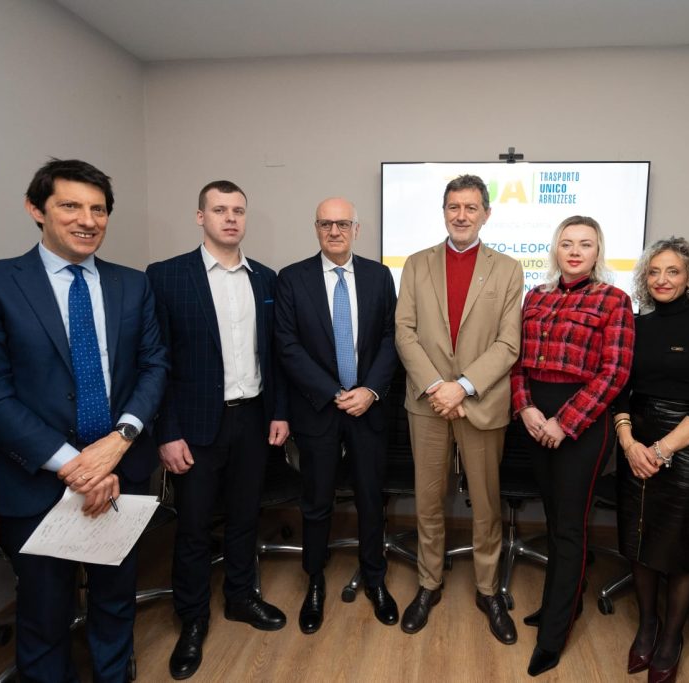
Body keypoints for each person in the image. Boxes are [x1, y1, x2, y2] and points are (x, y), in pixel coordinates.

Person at [0, 158, 168, 682]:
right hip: (33, 480)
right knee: (44, 611)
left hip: (121, 471)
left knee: (115, 596)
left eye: (98, 209)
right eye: (70, 205)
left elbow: (155, 365)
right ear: (36, 209)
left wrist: (120, 440)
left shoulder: (132, 285)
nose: (87, 220)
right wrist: (76, 466)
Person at [147, 180, 289, 679]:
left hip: (252, 418)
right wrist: (166, 431)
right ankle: (192, 619)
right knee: (193, 527)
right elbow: (156, 362)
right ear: (200, 217)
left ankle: (240, 597)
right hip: (194, 426)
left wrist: (280, 412)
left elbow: (275, 355)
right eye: (220, 210)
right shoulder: (166, 276)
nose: (230, 218)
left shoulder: (266, 279)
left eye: (238, 211)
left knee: (246, 516)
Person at [395, 174, 524, 645]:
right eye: (454, 207)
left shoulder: (508, 269)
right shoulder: (416, 264)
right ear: (444, 211)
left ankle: (488, 590)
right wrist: (437, 387)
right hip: (428, 402)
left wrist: (462, 387)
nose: (462, 215)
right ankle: (429, 583)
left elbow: (509, 343)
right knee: (428, 501)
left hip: (481, 403)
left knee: (486, 504)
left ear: (486, 213)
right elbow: (404, 332)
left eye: (471, 207)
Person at [510, 215, 635, 676]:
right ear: (555, 250)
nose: (576, 251)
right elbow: (517, 362)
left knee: (569, 527)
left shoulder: (614, 300)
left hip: (582, 423)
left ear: (598, 251)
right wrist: (525, 408)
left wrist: (565, 422)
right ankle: (564, 602)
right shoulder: (536, 297)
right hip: (535, 419)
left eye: (585, 244)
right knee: (553, 516)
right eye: (567, 243)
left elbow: (615, 373)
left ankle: (553, 634)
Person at [275, 197, 400, 633]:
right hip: (318, 409)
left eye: (343, 223)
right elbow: (287, 345)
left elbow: (391, 338)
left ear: (356, 229)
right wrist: (332, 392)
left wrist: (370, 390)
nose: (334, 231)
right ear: (316, 228)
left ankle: (375, 578)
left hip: (368, 407)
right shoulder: (292, 279)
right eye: (326, 224)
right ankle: (314, 580)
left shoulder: (379, 276)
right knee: (316, 501)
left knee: (370, 498)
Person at [613, 237, 689, 683]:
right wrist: (629, 443)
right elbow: (620, 389)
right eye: (654, 271)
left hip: (687, 444)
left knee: (681, 546)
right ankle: (648, 625)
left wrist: (664, 449)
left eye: (673, 271)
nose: (662, 280)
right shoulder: (634, 325)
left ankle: (670, 638)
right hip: (635, 440)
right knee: (639, 538)